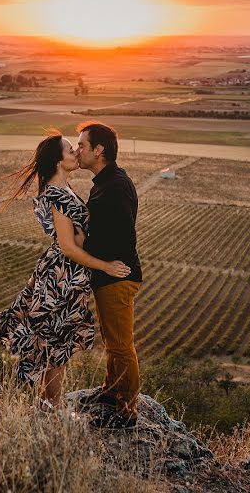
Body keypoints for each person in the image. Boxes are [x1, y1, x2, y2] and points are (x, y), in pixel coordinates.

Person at [0, 131, 130, 413]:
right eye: (70, 150)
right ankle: (48, 411)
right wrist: (105, 265)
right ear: (57, 160)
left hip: (68, 277)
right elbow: (68, 247)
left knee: (57, 346)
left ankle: (46, 409)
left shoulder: (63, 189)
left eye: (77, 148)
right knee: (52, 348)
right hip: (61, 278)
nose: (76, 153)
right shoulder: (56, 194)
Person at [74, 121, 143, 429]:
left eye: (82, 145)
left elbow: (123, 237)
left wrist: (82, 244)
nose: (77, 150)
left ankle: (127, 413)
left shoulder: (113, 186)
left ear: (98, 150)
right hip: (109, 276)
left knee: (120, 345)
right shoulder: (107, 181)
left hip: (117, 277)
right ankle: (111, 392)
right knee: (112, 340)